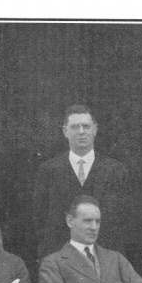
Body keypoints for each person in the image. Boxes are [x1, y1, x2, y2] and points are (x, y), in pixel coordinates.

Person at [32, 105, 129, 258]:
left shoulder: (116, 171)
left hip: (106, 258)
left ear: (95, 129)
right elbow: (40, 219)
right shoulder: (48, 171)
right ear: (65, 131)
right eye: (75, 127)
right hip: (62, 258)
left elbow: (125, 220)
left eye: (86, 126)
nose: (81, 131)